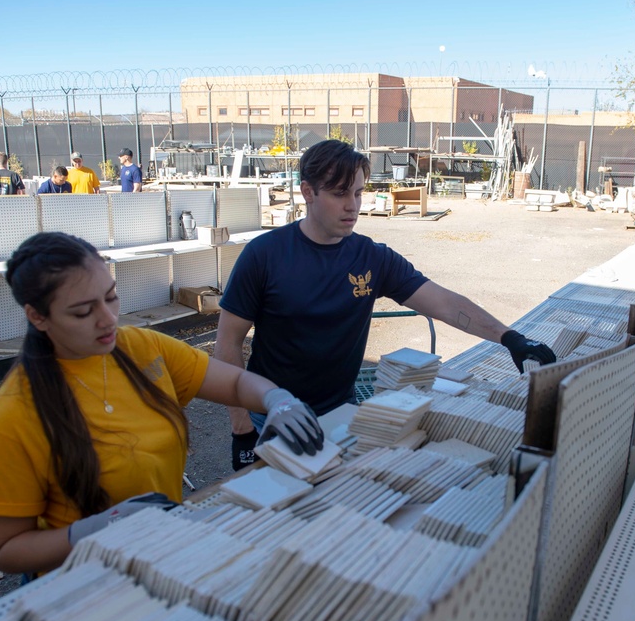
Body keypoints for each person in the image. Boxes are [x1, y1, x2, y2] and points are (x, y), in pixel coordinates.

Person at [0, 232, 323, 576]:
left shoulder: (139, 348)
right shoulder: (13, 417)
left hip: (159, 556)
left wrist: (275, 399)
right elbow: (6, 549)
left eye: (110, 298)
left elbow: (233, 381)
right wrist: (96, 529)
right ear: (38, 316)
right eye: (82, 312)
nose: (107, 319)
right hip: (83, 584)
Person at [216, 140, 556, 469]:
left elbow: (444, 303)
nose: (353, 205)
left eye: (359, 193)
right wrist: (242, 429)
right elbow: (227, 344)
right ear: (308, 192)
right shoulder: (264, 256)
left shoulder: (372, 257)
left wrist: (509, 337)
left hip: (341, 413)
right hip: (273, 417)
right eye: (339, 194)